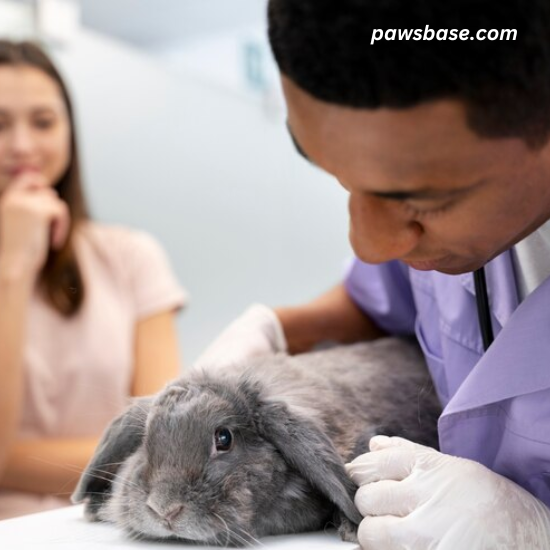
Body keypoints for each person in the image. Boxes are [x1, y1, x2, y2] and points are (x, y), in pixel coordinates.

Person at [195, 1, 550, 548]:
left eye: (422, 201)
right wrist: (279, 328)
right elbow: (384, 301)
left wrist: (534, 530)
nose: (368, 242)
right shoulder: (443, 231)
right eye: (337, 175)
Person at [0, 40, 187, 520]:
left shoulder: (130, 257)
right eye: (0, 123)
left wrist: (13, 464)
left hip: (112, 528)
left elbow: (163, 443)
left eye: (43, 122)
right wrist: (13, 265)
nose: (22, 144)